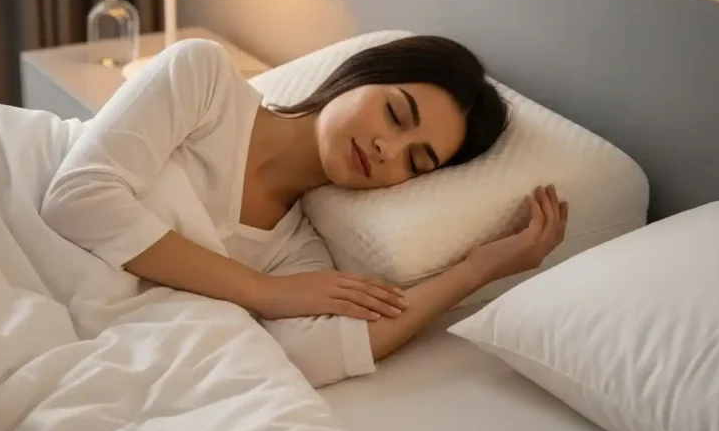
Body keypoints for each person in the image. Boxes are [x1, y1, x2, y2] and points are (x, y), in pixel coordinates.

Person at [41, 36, 568, 387]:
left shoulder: (296, 253)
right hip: (10, 201)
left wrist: (476, 270)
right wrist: (262, 292)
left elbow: (319, 354)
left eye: (416, 161)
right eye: (394, 114)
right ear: (361, 75)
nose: (387, 150)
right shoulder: (205, 79)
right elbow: (78, 199)